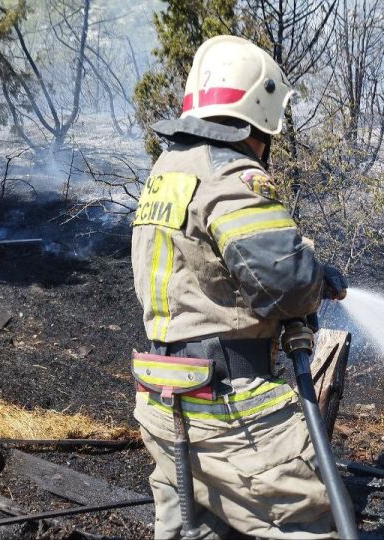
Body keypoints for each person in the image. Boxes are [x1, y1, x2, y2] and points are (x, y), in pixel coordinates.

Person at [130, 35, 348, 539]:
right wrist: (315, 277)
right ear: (259, 115)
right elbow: (288, 285)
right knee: (312, 523)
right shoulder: (231, 174)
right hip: (232, 414)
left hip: (166, 401)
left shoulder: (166, 171)